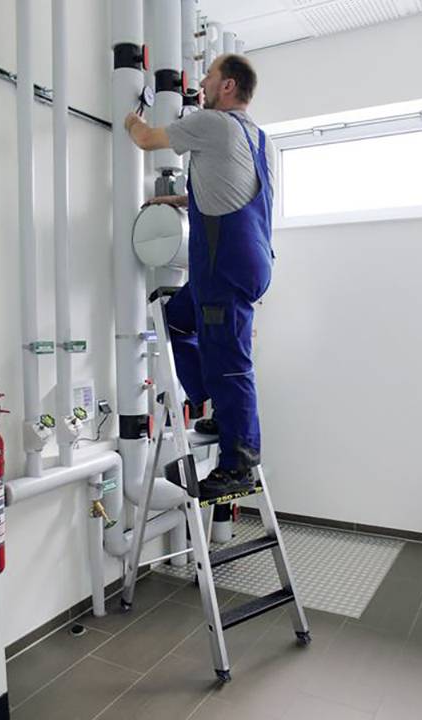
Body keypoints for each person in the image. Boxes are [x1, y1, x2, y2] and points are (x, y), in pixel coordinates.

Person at [125, 54, 275, 500]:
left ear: (227, 86)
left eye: (208, 77)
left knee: (230, 361)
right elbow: (224, 191)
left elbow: (147, 139)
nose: (202, 85)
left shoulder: (212, 123)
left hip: (223, 264)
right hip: (248, 257)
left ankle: (238, 465)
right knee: (175, 321)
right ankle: (219, 409)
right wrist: (174, 201)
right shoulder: (259, 138)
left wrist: (128, 115)